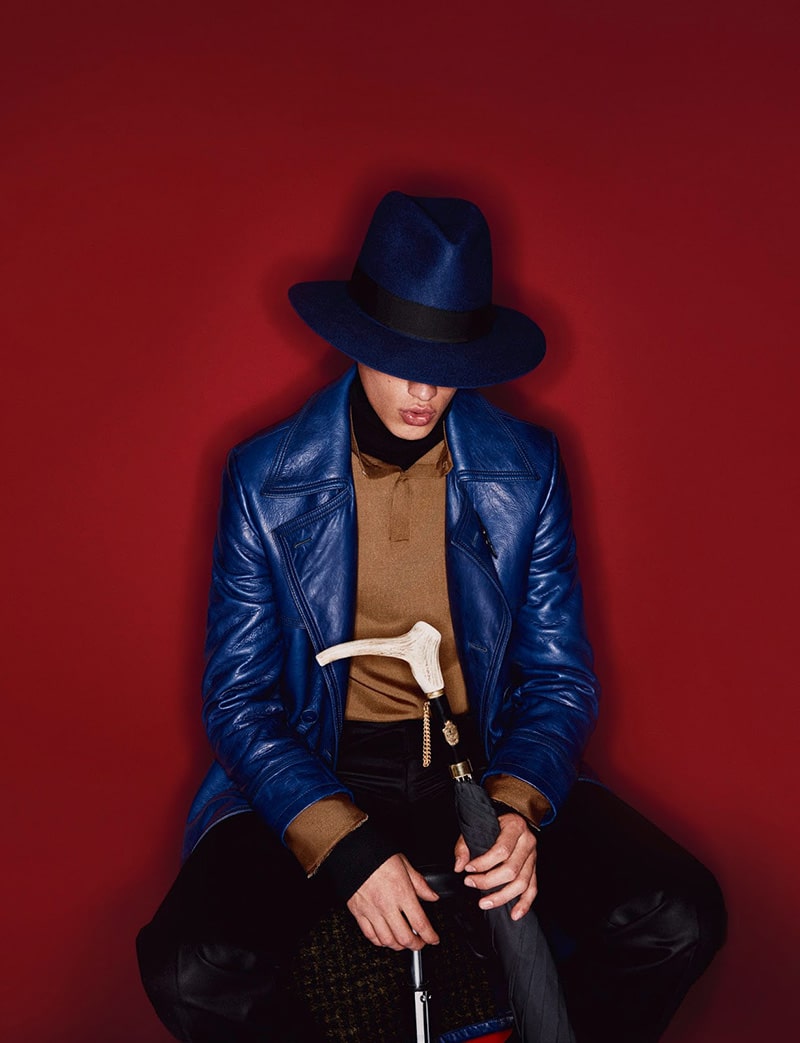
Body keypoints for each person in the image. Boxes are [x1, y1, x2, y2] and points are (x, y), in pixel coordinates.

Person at [137, 191, 726, 1043]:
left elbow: (559, 680)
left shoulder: (529, 467)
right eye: (401, 356)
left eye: (447, 361)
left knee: (679, 912)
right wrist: (343, 846)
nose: (424, 388)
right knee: (190, 966)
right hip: (321, 760)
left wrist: (515, 807)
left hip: (477, 762)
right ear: (357, 341)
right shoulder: (263, 477)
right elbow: (237, 700)